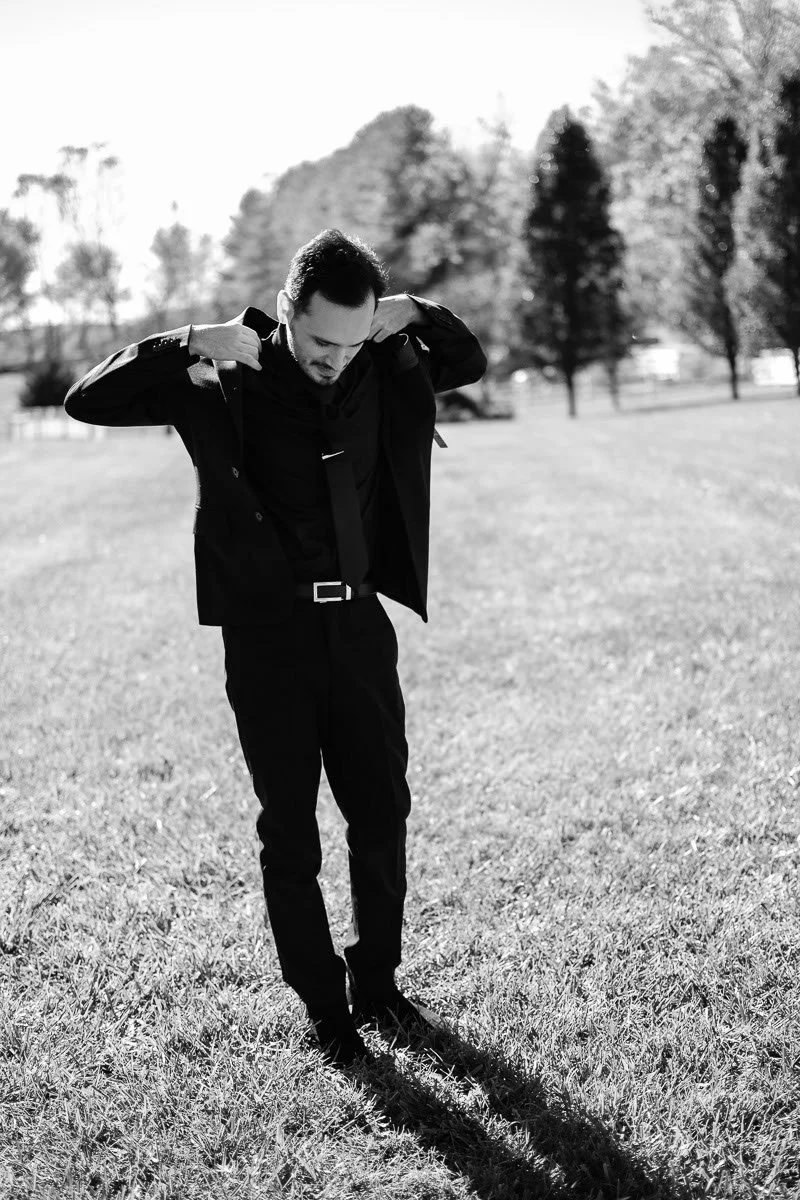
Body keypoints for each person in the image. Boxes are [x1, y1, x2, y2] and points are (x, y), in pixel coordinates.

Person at [65, 228, 487, 1068]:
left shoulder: (380, 361)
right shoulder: (228, 374)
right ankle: (325, 1009)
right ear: (288, 312)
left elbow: (466, 360)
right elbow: (88, 399)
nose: (336, 358)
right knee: (289, 832)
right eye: (322, 341)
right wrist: (187, 340)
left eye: (352, 341)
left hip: (359, 627)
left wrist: (411, 312)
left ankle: (379, 985)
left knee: (382, 812)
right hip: (267, 637)